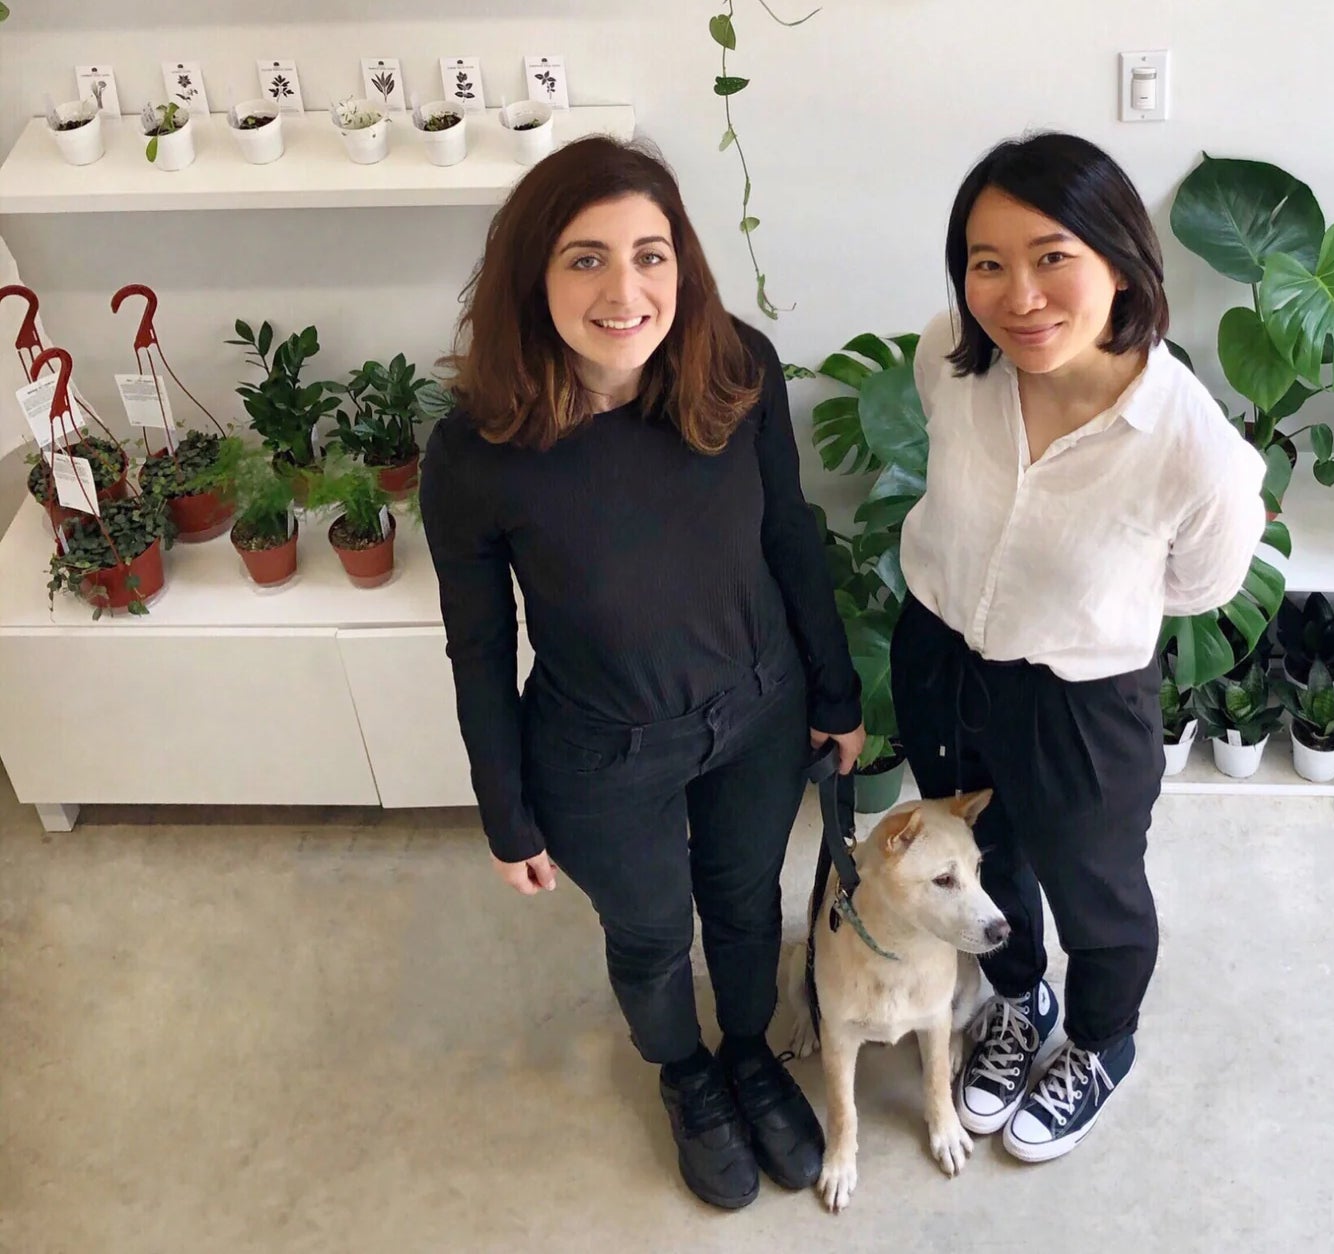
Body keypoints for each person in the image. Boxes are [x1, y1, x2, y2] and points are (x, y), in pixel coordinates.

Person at [420, 136, 865, 1211]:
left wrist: (837, 692)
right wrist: (506, 814)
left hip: (758, 712)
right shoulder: (474, 455)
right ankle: (686, 1075)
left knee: (745, 903)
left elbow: (793, 543)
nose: (626, 291)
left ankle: (750, 1052)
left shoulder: (738, 370)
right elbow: (479, 645)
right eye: (585, 259)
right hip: (598, 750)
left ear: (684, 265)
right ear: (533, 276)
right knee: (655, 929)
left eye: (650, 254)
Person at [891, 132, 1265, 1163]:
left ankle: (1101, 1039)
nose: (1020, 295)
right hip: (942, 656)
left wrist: (1081, 613)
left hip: (1079, 697)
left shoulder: (1195, 451)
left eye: (1053, 256)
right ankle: (1017, 999)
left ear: (1119, 262)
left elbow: (1203, 584)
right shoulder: (952, 360)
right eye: (988, 263)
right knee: (979, 856)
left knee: (1095, 883)